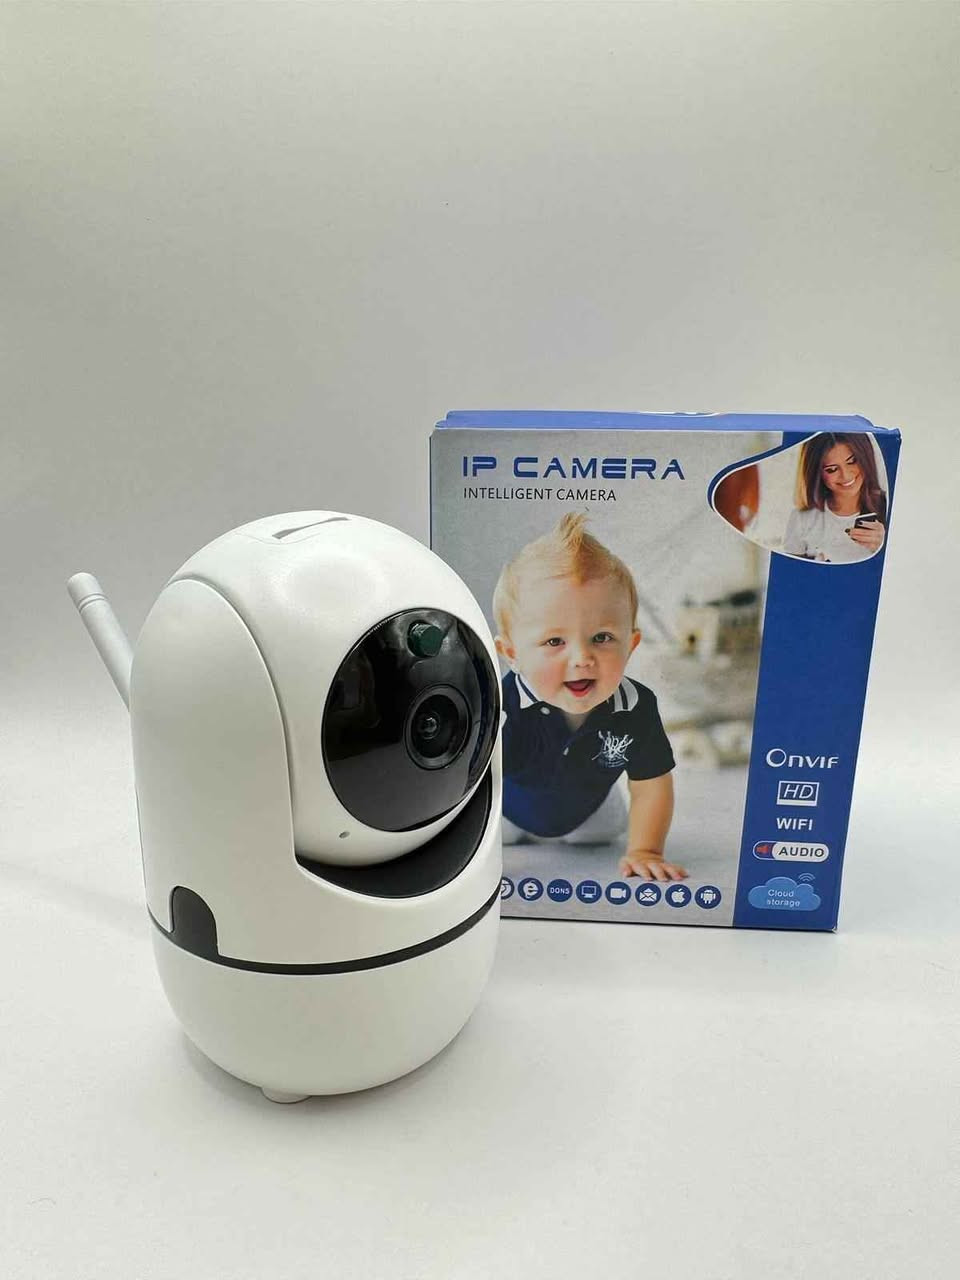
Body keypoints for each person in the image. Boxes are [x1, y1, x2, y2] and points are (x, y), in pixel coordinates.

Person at [492, 513, 686, 882]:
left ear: (631, 645)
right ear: (512, 653)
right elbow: (472, 786)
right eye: (555, 641)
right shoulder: (504, 706)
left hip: (591, 814)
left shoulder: (636, 706)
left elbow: (650, 783)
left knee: (599, 832)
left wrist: (645, 850)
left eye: (602, 638)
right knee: (500, 834)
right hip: (507, 812)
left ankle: (596, 821)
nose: (582, 658)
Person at [783, 434, 887, 563]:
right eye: (832, 469)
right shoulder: (802, 518)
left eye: (852, 461)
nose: (846, 476)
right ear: (816, 473)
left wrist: (884, 547)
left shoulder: (890, 507)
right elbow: (789, 571)